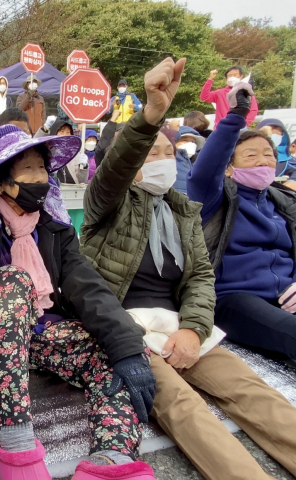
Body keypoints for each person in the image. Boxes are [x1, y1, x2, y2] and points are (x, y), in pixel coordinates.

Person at [82, 58, 296, 480]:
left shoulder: (184, 211)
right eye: (150, 152)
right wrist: (151, 116)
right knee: (183, 405)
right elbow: (113, 172)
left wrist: (193, 329)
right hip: (124, 331)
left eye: (168, 152)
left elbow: (200, 277)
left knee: (248, 387)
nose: (162, 159)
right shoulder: (105, 204)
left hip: (180, 326)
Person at [0, 98, 157, 480]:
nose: (40, 178)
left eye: (42, 168)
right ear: (1, 180)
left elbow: (86, 285)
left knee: (115, 354)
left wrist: (128, 348)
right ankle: (14, 443)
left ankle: (111, 459)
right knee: (14, 281)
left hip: (39, 332)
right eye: (28, 169)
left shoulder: (52, 225)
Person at [188, 82, 296, 361]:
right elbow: (203, 172)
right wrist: (236, 116)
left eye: (268, 155)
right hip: (234, 298)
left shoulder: (283, 201)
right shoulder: (215, 197)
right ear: (229, 167)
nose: (263, 161)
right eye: (251, 155)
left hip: (286, 293)